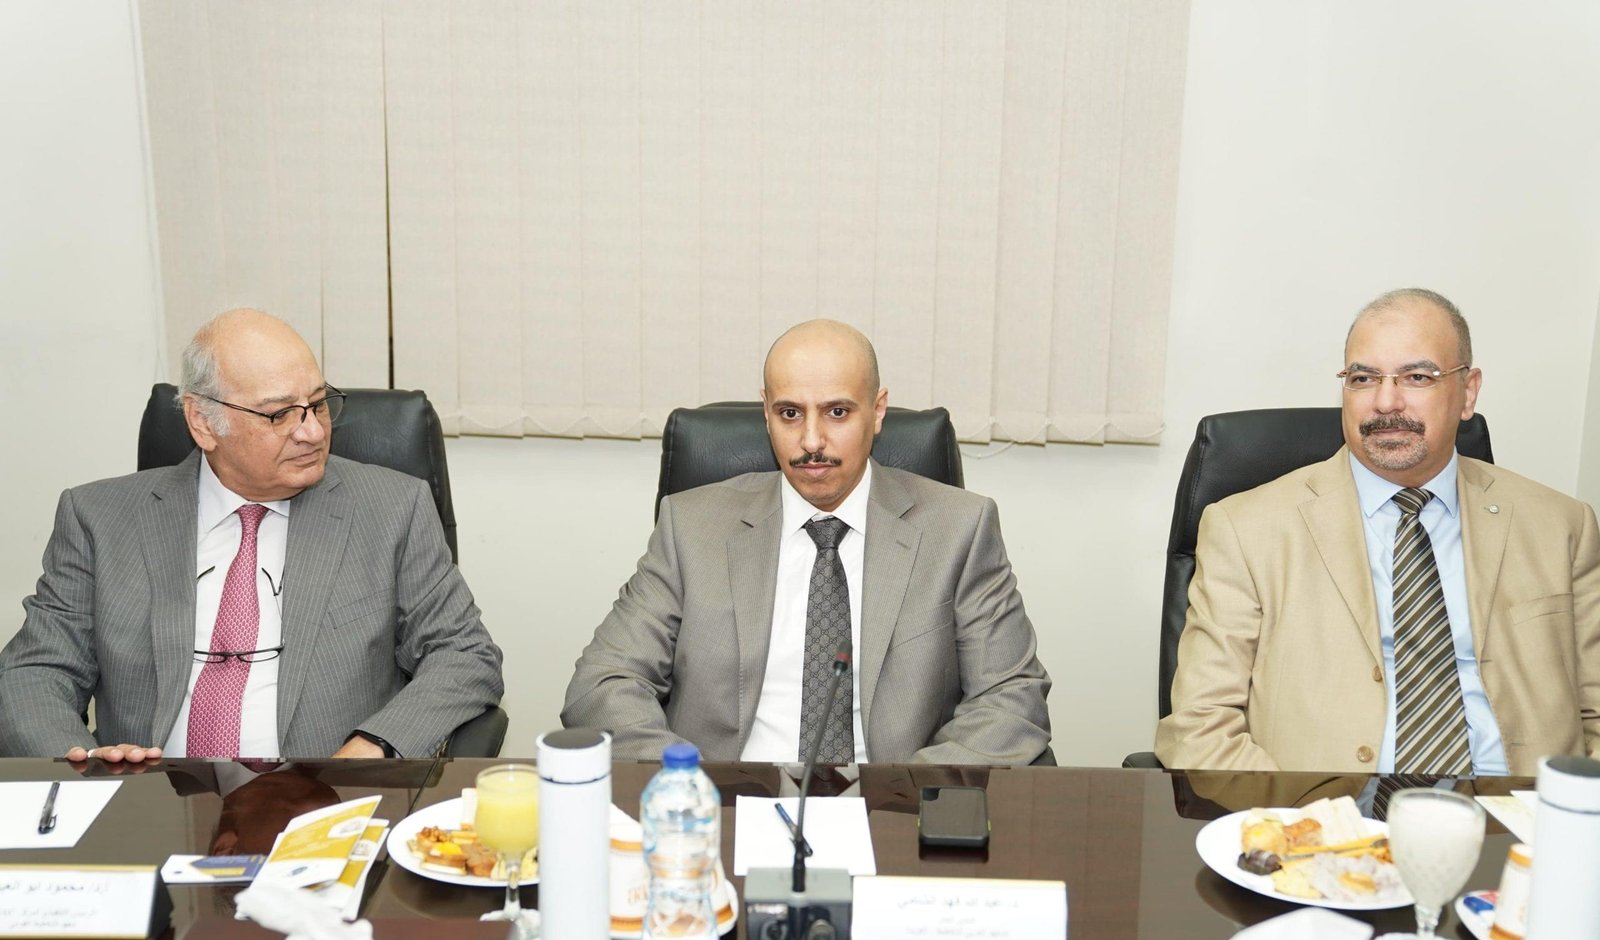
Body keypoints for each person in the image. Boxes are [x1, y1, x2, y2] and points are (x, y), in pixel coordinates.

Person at [0, 309, 504, 760]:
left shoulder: (392, 509)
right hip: (152, 801)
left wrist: (376, 744)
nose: (312, 432)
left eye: (318, 404)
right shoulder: (99, 518)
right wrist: (84, 766)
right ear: (203, 422)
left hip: (325, 802)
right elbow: (35, 672)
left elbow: (464, 654)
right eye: (279, 414)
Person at [562, 319, 1051, 764]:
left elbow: (1011, 697)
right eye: (790, 413)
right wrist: (688, 782)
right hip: (724, 800)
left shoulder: (959, 529)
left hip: (891, 805)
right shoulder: (692, 527)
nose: (812, 441)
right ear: (766, 414)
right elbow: (602, 684)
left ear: (877, 411)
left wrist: (904, 794)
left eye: (837, 412)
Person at [1157, 288, 1599, 775]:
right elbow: (1200, 728)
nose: (1386, 402)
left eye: (1417, 377)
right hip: (1322, 809)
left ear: (1468, 391)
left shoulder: (1563, 527)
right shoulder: (1247, 529)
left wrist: (1570, 811)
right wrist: (1306, 816)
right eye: (1363, 378)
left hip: (1522, 811)